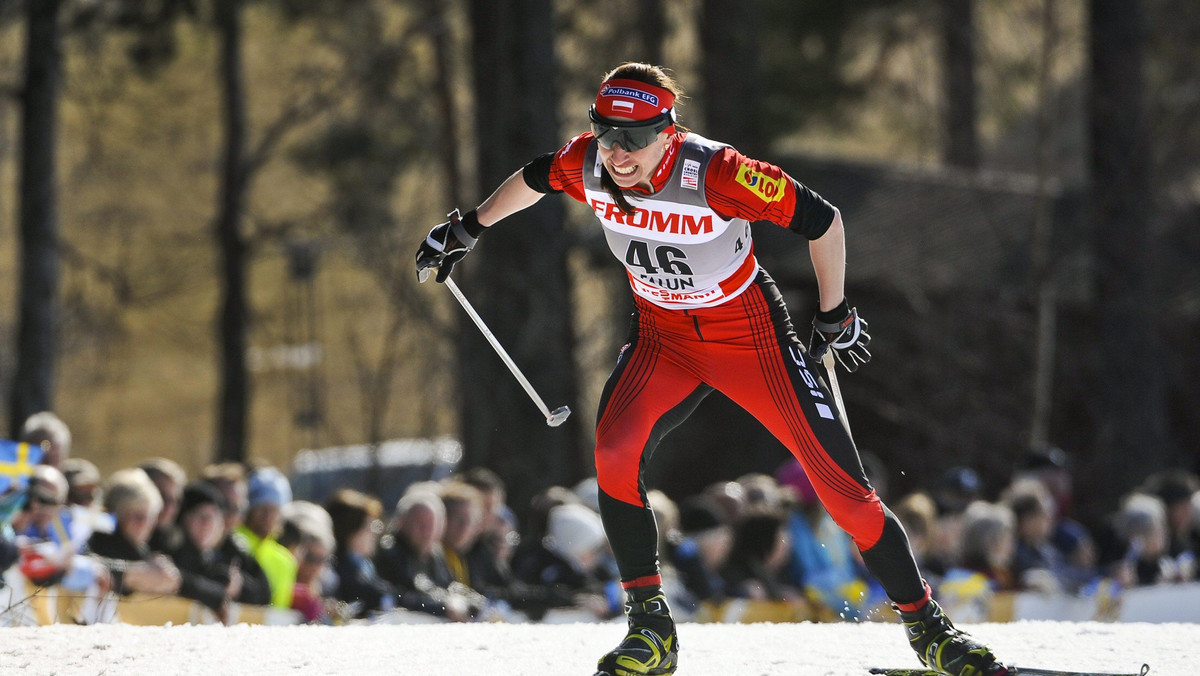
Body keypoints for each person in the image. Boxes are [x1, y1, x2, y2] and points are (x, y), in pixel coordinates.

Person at [414, 62, 1007, 676]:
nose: (617, 154)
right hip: (663, 338)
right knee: (614, 453)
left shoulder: (718, 172)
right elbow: (537, 177)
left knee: (844, 494)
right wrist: (468, 227)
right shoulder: (589, 161)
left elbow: (823, 220)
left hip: (748, 337)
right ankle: (650, 630)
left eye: (635, 139)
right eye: (606, 135)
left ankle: (931, 631)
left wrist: (834, 312)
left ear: (668, 133)